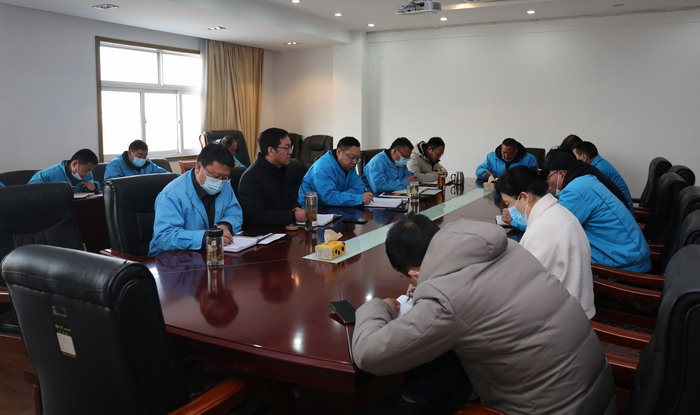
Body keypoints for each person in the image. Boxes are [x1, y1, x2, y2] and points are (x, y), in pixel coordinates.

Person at [352, 214, 615, 415]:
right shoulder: (508, 248)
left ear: (413, 272)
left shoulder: (446, 299)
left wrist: (380, 307)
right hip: (596, 390)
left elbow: (368, 355)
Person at [496, 166, 595, 318]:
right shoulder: (556, 212)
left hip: (565, 317)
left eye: (508, 204)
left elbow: (524, 281)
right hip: (572, 303)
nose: (510, 210)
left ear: (524, 197)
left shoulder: (545, 227)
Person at [545, 150, 651, 272]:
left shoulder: (575, 190)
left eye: (548, 177)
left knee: (554, 263)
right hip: (628, 254)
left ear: (562, 174)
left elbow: (553, 228)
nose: (547, 182)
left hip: (624, 265)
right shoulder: (585, 180)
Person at [148, 143, 242, 257]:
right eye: (216, 177)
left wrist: (225, 225)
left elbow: (235, 213)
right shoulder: (171, 194)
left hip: (207, 254)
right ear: (198, 167)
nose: (220, 182)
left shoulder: (225, 185)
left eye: (224, 177)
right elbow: (165, 237)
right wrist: (206, 237)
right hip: (171, 260)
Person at [238, 128, 305, 226]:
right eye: (287, 148)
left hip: (286, 227)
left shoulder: (284, 169)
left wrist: (296, 208)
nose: (290, 152)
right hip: (264, 232)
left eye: (291, 147)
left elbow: (290, 201)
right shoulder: (250, 177)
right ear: (271, 150)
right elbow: (255, 216)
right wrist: (292, 216)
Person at [298, 136, 374, 208]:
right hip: (313, 209)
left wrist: (341, 197)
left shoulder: (348, 165)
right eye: (352, 157)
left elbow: (359, 188)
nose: (355, 162)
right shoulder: (322, 167)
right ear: (339, 152)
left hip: (337, 207)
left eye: (357, 158)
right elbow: (328, 197)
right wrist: (356, 198)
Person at [573, 141, 634, 211]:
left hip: (623, 209)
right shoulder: (599, 163)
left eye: (575, 156)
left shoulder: (598, 169)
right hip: (620, 206)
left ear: (583, 157)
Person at [29, 149, 101, 193]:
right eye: (86, 170)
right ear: (75, 164)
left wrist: (94, 186)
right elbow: (30, 192)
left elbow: (94, 185)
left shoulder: (88, 174)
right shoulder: (45, 175)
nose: (87, 174)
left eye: (90, 171)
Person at [103, 139, 168, 181]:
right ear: (129, 153)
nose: (142, 159)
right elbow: (111, 185)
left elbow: (166, 175)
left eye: (145, 156)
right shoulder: (115, 165)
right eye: (139, 156)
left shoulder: (148, 163)